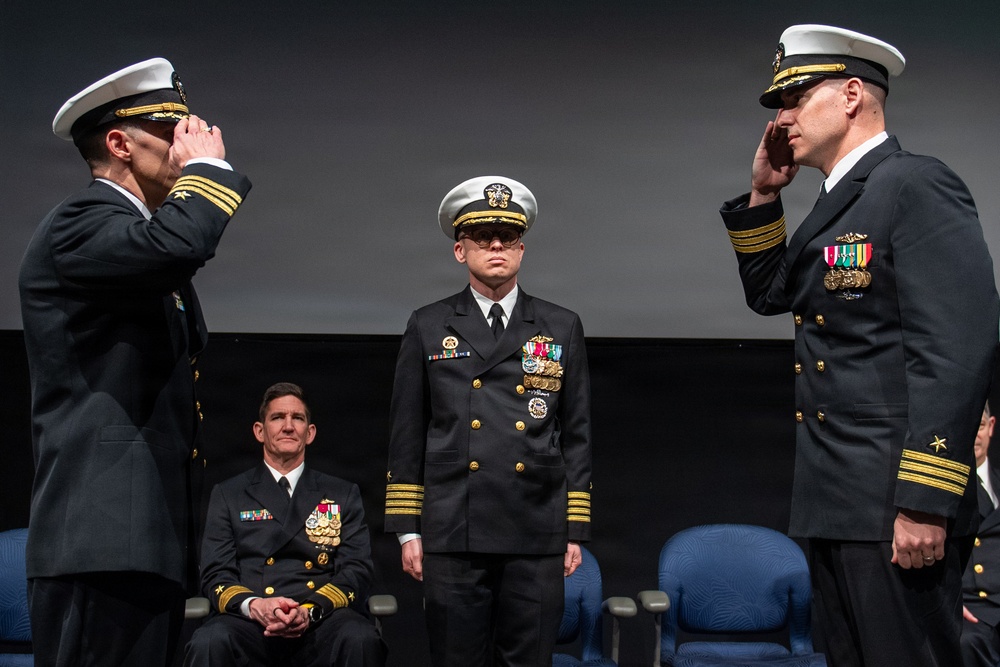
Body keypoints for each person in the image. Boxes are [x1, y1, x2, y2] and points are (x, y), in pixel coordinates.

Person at [718, 24, 999, 666]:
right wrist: (765, 195)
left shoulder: (914, 185)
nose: (782, 118)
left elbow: (954, 352)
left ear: (851, 95)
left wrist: (925, 501)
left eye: (793, 99)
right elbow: (770, 295)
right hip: (836, 498)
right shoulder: (835, 202)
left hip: (897, 505)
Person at [18, 57, 252, 665]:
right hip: (99, 534)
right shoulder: (82, 222)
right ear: (120, 144)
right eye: (173, 134)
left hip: (141, 532)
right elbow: (182, 242)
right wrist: (208, 173)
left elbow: (169, 253)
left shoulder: (136, 242)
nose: (184, 149)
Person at [384, 176, 593, 666]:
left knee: (528, 660)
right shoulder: (429, 324)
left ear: (521, 249)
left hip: (536, 525)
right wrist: (407, 530)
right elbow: (407, 432)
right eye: (482, 237)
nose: (496, 245)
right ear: (461, 251)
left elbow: (578, 434)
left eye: (508, 237)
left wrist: (574, 529)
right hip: (454, 526)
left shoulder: (561, 325)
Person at [184, 382, 386, 667]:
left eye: (298, 418)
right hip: (250, 624)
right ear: (259, 431)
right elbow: (216, 573)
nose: (288, 426)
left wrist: (309, 610)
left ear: (310, 433)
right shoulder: (229, 494)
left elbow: (357, 570)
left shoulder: (342, 493)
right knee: (209, 642)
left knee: (360, 638)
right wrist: (256, 606)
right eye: (278, 417)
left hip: (321, 621)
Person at [963, 402, 1000, 667]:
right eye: (969, 426)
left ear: (991, 428)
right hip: (969, 606)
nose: (975, 433)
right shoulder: (939, 492)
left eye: (981, 425)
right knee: (965, 643)